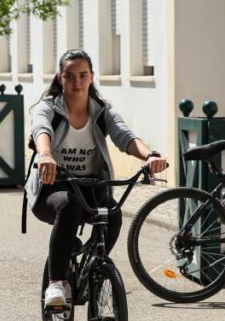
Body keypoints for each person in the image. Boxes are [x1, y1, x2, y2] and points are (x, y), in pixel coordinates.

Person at [25, 49, 168, 307]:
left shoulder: (101, 111)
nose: (76, 83)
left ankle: (94, 267)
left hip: (90, 185)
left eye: (83, 75)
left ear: (91, 77)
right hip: (51, 186)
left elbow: (124, 136)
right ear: (60, 78)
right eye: (69, 76)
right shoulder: (49, 108)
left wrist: (150, 156)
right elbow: (40, 129)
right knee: (69, 206)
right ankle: (56, 284)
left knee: (113, 215)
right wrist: (45, 155)